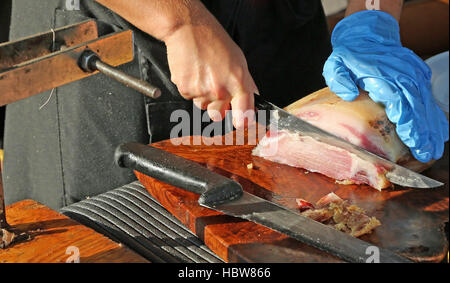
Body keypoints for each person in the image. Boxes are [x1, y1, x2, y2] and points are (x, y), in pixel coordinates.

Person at [2, 0, 448, 210]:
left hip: (279, 23)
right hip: (123, 33)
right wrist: (180, 22)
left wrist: (371, 15)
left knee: (295, 222)